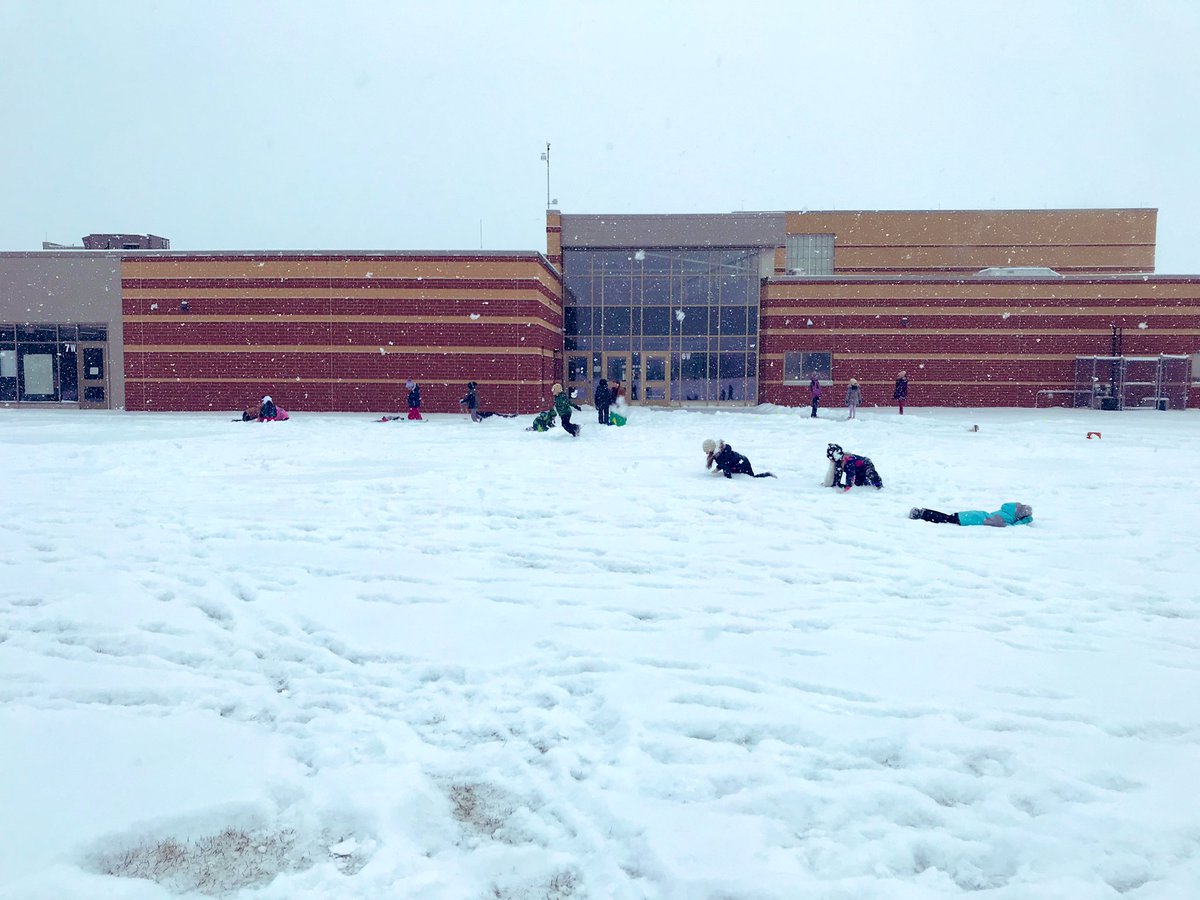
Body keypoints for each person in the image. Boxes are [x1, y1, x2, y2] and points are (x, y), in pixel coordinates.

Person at [909, 503, 1033, 527]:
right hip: (969, 520)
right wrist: (1024, 521)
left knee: (947, 518)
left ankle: (923, 512)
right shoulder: (1004, 518)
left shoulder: (1005, 512)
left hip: (972, 515)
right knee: (945, 520)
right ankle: (922, 513)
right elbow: (1007, 527)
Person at [702, 438, 776, 479]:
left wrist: (727, 481)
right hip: (741, 462)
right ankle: (768, 475)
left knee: (751, 478)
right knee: (750, 478)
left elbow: (725, 467)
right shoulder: (717, 453)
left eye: (706, 451)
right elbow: (723, 464)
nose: (706, 453)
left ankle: (768, 475)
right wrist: (717, 469)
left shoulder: (721, 454)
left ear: (711, 448)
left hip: (742, 464)